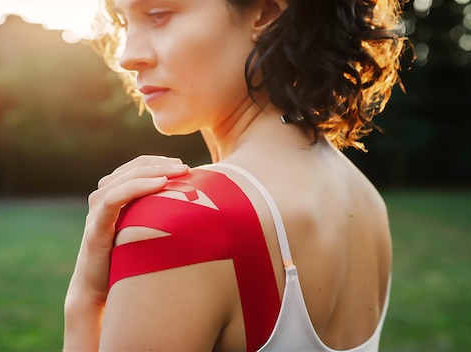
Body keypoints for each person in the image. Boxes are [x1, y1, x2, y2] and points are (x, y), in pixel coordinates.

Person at [64, 0, 405, 350]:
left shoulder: (183, 219)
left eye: (157, 15)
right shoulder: (365, 199)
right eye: (123, 22)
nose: (127, 56)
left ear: (265, 14)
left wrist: (85, 300)